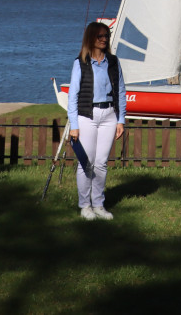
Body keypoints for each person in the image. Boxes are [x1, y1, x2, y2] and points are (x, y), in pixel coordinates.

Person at [67, 21, 126, 221]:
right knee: (86, 163)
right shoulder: (80, 63)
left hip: (109, 115)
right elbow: (72, 96)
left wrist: (120, 120)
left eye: (106, 36)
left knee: (101, 163)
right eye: (99, 36)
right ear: (91, 38)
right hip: (87, 116)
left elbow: (121, 91)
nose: (104, 39)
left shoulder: (113, 62)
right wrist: (74, 126)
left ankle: (98, 204)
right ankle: (85, 206)